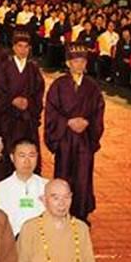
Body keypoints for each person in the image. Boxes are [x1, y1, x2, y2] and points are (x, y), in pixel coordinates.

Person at [45, 44, 105, 222]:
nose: (79, 65)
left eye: (82, 61)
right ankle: (60, 212)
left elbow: (98, 111)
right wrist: (67, 122)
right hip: (64, 138)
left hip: (85, 138)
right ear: (68, 63)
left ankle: (81, 213)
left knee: (83, 177)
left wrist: (87, 122)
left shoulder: (92, 87)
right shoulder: (58, 85)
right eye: (75, 61)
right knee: (64, 173)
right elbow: (51, 110)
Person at [0, 30, 45, 157]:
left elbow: (39, 91)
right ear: (14, 48)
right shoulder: (5, 67)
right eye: (19, 46)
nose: (23, 50)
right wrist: (11, 100)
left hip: (28, 118)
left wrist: (29, 102)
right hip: (10, 117)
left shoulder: (33, 69)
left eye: (26, 47)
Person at [0, 138, 47, 235]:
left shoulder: (48, 186)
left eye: (32, 155)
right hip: (10, 244)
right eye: (22, 156)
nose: (27, 161)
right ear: (12, 157)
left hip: (42, 245)